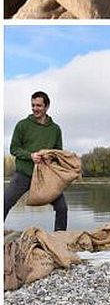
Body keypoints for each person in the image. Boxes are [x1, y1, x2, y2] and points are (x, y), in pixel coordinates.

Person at [5, 91, 68, 230]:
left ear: (47, 107)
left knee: (62, 208)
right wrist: (30, 155)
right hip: (23, 174)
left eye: (39, 105)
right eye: (33, 105)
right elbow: (14, 148)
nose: (35, 108)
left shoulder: (55, 129)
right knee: (4, 203)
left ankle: (59, 240)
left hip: (46, 177)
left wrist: (50, 157)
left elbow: (58, 153)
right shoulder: (22, 125)